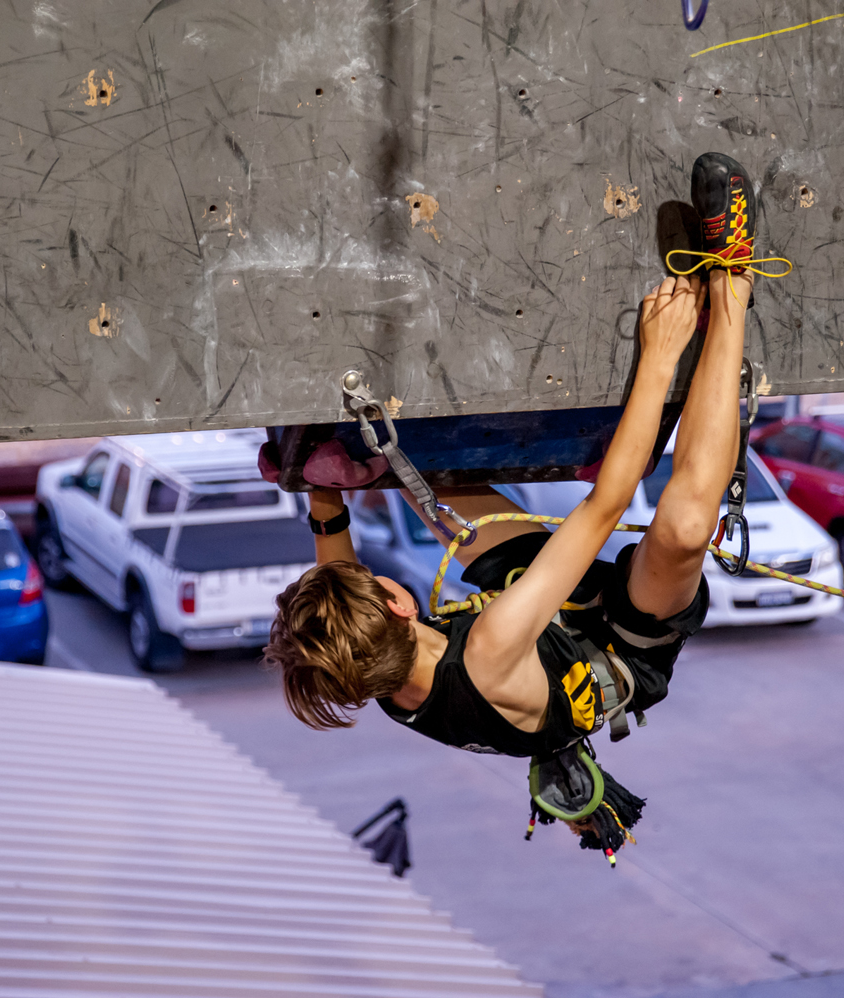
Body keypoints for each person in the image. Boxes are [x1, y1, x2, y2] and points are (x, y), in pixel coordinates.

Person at [264, 152, 760, 860]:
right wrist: (659, 353)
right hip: (611, 650)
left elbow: (339, 584)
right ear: (400, 606)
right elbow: (605, 506)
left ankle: (614, 424)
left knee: (414, 477)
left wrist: (325, 494)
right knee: (681, 529)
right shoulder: (486, 650)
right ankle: (734, 281)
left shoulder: (362, 667)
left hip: (538, 621)